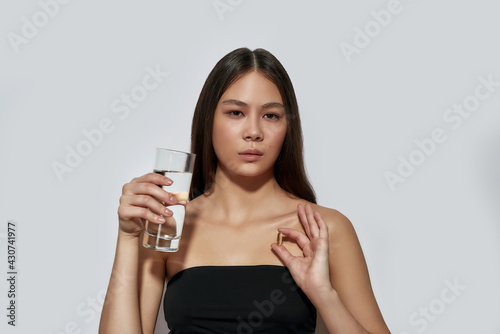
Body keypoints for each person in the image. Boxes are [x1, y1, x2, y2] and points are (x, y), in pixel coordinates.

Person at [99, 48, 391, 334]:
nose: (254, 132)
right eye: (236, 112)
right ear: (208, 120)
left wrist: (324, 295)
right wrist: (127, 237)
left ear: (288, 126)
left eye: (271, 116)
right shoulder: (170, 224)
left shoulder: (323, 228)